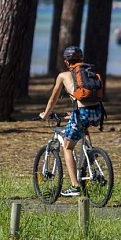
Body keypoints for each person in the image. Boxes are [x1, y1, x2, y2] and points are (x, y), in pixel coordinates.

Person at [39, 46, 104, 197]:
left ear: (67, 62)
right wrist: (73, 113)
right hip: (97, 112)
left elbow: (53, 98)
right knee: (82, 128)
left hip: (81, 113)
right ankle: (91, 156)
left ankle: (75, 186)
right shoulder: (89, 73)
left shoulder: (63, 76)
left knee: (67, 148)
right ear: (81, 59)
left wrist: (45, 114)